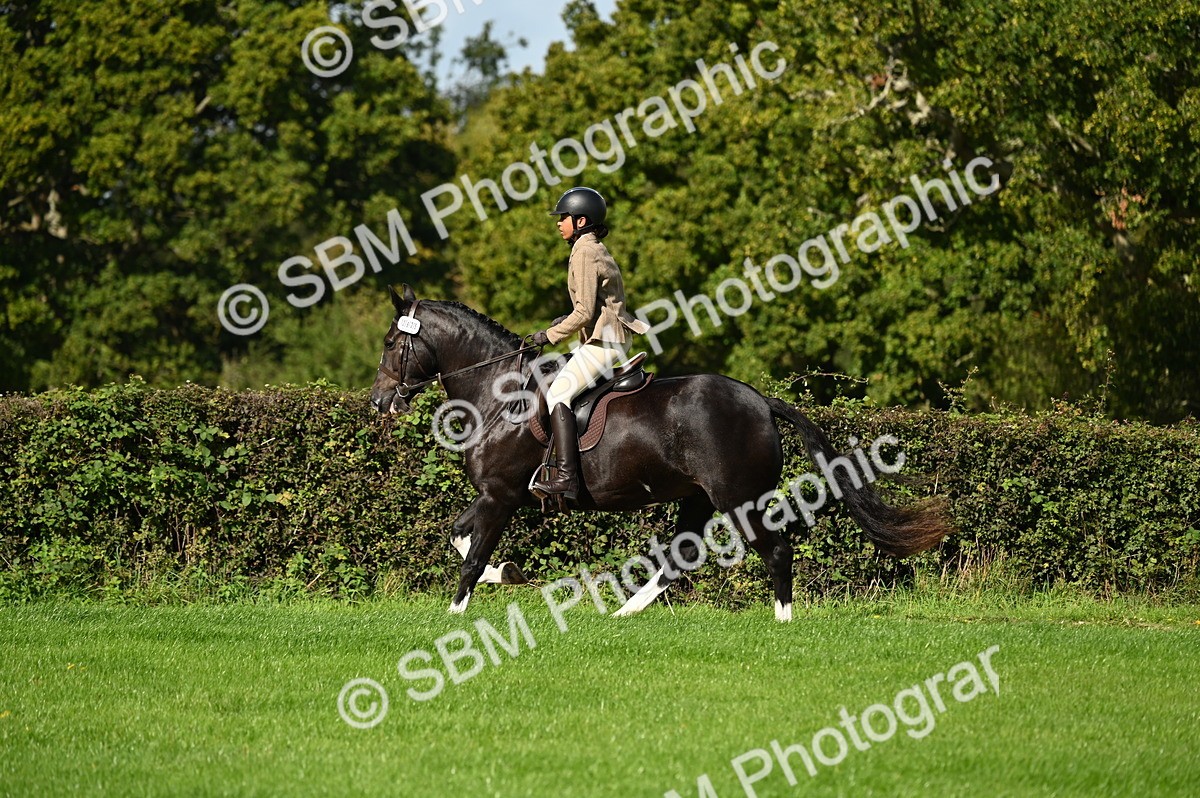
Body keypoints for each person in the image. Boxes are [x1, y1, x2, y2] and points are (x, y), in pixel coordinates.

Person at [529, 187, 649, 500]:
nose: (558, 223)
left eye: (563, 218)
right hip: (605, 338)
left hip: (605, 342)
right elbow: (590, 307)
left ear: (581, 221)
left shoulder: (584, 250)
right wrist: (562, 322)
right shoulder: (590, 246)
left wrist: (549, 335)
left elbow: (583, 312)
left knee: (558, 393)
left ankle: (567, 478)